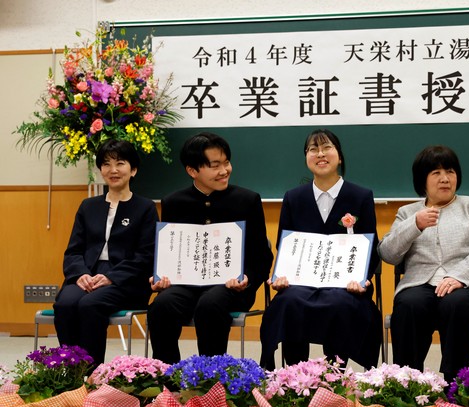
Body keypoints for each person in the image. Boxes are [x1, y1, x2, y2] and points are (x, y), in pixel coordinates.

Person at [259, 128, 382, 371]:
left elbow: (370, 246)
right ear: (306, 157)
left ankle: (334, 375)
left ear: (340, 156)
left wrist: (363, 280)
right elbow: (285, 244)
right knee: (288, 302)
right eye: (313, 149)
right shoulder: (294, 198)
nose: (320, 154)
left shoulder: (360, 196)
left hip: (345, 284)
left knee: (341, 303)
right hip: (301, 283)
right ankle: (295, 377)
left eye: (327, 148)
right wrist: (280, 276)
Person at [147, 132, 273, 364]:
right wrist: (159, 278)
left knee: (210, 304)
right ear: (192, 171)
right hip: (186, 285)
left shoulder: (247, 200)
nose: (224, 170)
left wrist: (248, 278)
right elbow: (170, 249)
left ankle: (210, 378)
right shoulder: (174, 202)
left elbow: (261, 255)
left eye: (226, 163)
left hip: (231, 287)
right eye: (215, 166)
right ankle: (168, 379)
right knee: (161, 306)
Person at [378, 145, 469, 383]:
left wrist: (460, 278)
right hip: (420, 283)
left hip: (466, 284)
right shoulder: (407, 212)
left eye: (450, 171)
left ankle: (454, 381)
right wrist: (415, 225)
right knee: (410, 303)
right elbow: (388, 253)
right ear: (422, 179)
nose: (445, 179)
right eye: (436, 173)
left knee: (457, 302)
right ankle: (409, 383)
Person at [53, 140, 158, 366]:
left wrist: (112, 277)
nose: (113, 170)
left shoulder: (145, 207)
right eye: (106, 164)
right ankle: (71, 371)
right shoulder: (88, 206)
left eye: (120, 163)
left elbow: (146, 255)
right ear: (100, 170)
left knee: (90, 305)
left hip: (126, 280)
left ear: (134, 170)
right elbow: (73, 250)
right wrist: (80, 274)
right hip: (88, 275)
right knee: (64, 303)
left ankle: (92, 374)